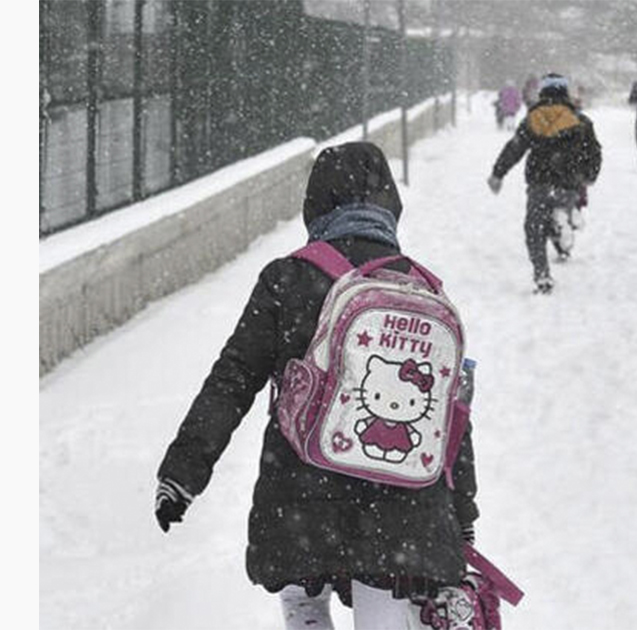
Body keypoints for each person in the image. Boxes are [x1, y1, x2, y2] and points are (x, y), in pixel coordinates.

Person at [154, 142, 480, 629]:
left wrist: (183, 471)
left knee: (303, 597)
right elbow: (448, 415)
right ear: (389, 205)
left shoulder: (288, 278)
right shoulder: (421, 288)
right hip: (401, 502)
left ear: (316, 205)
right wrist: (462, 512)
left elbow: (234, 377)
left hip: (300, 489)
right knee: (386, 601)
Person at [488, 73, 603, 294]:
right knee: (558, 212)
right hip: (569, 183)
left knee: (534, 228)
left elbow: (515, 148)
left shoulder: (533, 119)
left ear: (543, 92)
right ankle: (564, 222)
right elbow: (594, 153)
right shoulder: (581, 121)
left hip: (540, 182)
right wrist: (589, 176)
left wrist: (497, 174)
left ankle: (542, 275)